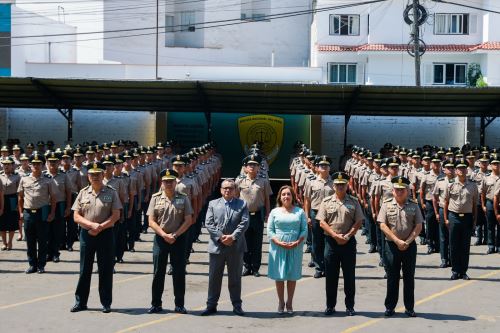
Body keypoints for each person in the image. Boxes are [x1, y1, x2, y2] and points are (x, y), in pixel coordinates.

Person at [70, 162, 122, 313]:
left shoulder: (111, 192)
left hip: (105, 234)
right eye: (92, 174)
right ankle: (80, 302)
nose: (95, 177)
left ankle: (106, 302)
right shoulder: (83, 192)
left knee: (105, 269)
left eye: (98, 174)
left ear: (103, 175)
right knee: (84, 269)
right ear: (88, 176)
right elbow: (76, 216)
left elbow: (116, 215)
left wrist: (100, 227)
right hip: (87, 234)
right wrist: (91, 225)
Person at [147, 169, 193, 314]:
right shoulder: (155, 198)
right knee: (158, 273)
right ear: (162, 182)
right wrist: (163, 234)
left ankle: (179, 304)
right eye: (166, 181)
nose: (168, 184)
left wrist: (175, 235)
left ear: (175, 182)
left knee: (179, 273)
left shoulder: (183, 198)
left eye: (171, 181)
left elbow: (188, 220)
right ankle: (156, 304)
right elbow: (151, 221)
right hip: (161, 239)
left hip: (178, 239)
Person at [318, 172, 363, 316]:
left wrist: (348, 235)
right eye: (337, 184)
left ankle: (350, 306)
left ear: (347, 185)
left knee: (349, 276)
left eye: (343, 184)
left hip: (348, 243)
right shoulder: (326, 201)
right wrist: (334, 235)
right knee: (331, 276)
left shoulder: (354, 201)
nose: (340, 187)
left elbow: (359, 221)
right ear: (333, 185)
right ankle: (330, 306)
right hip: (331, 242)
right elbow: (322, 222)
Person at [201, 179, 249, 316]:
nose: (227, 190)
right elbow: (209, 223)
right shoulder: (213, 203)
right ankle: (211, 305)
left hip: (235, 246)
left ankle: (237, 305)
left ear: (235, 190)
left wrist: (232, 237)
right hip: (217, 246)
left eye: (230, 188)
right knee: (214, 278)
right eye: (225, 188)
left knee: (235, 278)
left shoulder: (242, 204)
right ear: (221, 190)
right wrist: (221, 237)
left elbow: (244, 223)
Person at [378, 176, 423, 318]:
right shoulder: (386, 204)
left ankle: (409, 308)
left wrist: (408, 241)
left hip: (409, 246)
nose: (399, 192)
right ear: (393, 190)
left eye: (402, 189)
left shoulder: (414, 205)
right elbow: (382, 225)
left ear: (408, 191)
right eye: (397, 189)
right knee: (392, 277)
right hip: (391, 246)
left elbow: (419, 226)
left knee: (409, 278)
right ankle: (390, 307)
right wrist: (397, 241)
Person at [267, 185, 307, 314]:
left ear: (292, 197)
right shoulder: (274, 212)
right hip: (278, 247)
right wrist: (278, 242)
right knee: (279, 276)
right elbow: (270, 230)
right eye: (283, 194)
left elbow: (304, 229)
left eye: (288, 194)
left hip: (295, 247)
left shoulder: (299, 212)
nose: (286, 196)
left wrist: (297, 241)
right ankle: (280, 302)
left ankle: (289, 302)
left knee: (292, 275)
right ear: (280, 197)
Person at [17, 153, 57, 274]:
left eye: (38, 164)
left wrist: (52, 213)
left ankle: (41, 265)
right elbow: (20, 197)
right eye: (33, 164)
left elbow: (53, 198)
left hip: (42, 213)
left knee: (42, 240)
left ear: (42, 165)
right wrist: (21, 212)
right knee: (30, 241)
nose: (36, 166)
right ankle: (32, 265)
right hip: (28, 213)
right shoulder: (24, 179)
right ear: (30, 165)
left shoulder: (48, 180)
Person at [235, 154, 272, 277]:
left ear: (258, 167)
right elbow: (235, 198)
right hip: (244, 215)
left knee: (257, 243)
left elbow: (267, 199)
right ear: (245, 167)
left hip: (258, 215)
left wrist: (268, 214)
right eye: (250, 165)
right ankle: (246, 266)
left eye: (254, 165)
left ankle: (255, 267)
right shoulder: (239, 180)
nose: (252, 167)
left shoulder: (263, 181)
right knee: (244, 242)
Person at [444, 159, 478, 280]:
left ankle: (463, 271)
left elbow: (474, 204)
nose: (462, 170)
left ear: (466, 170)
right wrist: (446, 218)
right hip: (454, 216)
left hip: (467, 217)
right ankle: (455, 270)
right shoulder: (450, 184)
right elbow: (446, 202)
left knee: (465, 245)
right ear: (456, 171)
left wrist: (474, 221)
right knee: (453, 245)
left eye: (464, 168)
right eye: (459, 168)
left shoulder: (473, 185)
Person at [303, 155, 334, 279]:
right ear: (317, 168)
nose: (324, 167)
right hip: (315, 213)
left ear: (329, 168)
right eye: (322, 166)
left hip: (330, 215)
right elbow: (307, 200)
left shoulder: (334, 182)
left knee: (329, 242)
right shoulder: (311, 182)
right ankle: (318, 267)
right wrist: (307, 216)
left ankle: (327, 267)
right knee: (317, 242)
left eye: (326, 165)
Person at [1, 157, 20, 250]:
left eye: (8, 164)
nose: (6, 166)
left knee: (12, 222)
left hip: (13, 199)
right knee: (2, 223)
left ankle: (10, 242)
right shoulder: (0, 175)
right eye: (4, 164)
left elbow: (19, 192)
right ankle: (4, 243)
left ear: (12, 165)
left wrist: (18, 204)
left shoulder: (17, 176)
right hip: (1, 199)